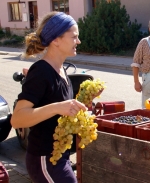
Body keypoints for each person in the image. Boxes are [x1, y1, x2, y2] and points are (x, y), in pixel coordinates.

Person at [11, 11, 86, 183]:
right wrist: (58, 107)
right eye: (74, 37)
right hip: (45, 159)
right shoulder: (41, 71)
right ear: (55, 40)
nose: (78, 41)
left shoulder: (61, 70)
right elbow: (17, 119)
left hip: (60, 157)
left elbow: (61, 108)